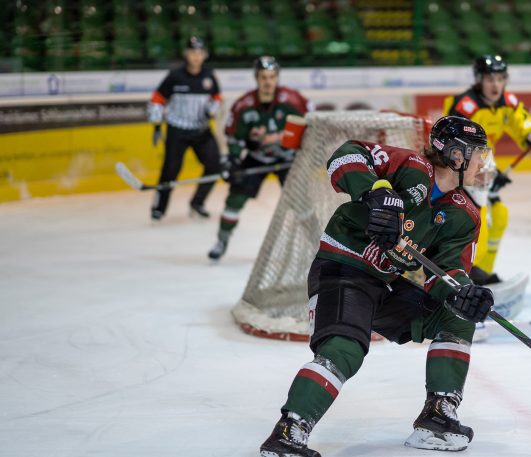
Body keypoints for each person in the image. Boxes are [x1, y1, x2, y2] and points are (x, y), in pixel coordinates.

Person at [258, 116, 494, 457]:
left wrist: (463, 291)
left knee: (455, 313)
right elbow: (345, 154)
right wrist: (376, 192)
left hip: (386, 284)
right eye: (478, 153)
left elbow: (447, 270)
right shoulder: (411, 167)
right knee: (344, 350)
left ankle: (438, 416)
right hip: (344, 269)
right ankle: (288, 433)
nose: (483, 162)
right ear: (457, 156)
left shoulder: (463, 214)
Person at [443, 54, 531, 286]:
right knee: (478, 224)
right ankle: (467, 271)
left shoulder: (508, 103)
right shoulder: (466, 106)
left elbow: (524, 127)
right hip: (460, 171)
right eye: (490, 79)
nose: (496, 85)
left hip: (484, 167)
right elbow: (455, 147)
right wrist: (482, 174)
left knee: (500, 216)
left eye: (500, 78)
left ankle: (482, 271)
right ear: (478, 79)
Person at [208, 56, 311, 261]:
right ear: (256, 78)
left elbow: (311, 127)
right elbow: (235, 138)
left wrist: (287, 140)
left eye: (272, 77)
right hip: (257, 158)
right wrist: (234, 160)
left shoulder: (293, 100)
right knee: (236, 197)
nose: (268, 81)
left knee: (302, 203)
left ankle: (318, 243)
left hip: (288, 159)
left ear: (277, 78)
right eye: (263, 77)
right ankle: (222, 239)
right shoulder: (243, 105)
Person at [147, 36, 222, 221]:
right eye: (192, 52)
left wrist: (212, 110)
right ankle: (159, 207)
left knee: (215, 166)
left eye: (199, 53)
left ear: (204, 55)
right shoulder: (175, 76)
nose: (196, 56)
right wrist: (157, 125)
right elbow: (157, 100)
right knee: (170, 170)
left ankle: (197, 203)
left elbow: (217, 99)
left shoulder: (209, 77)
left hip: (201, 131)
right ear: (186, 54)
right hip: (177, 130)